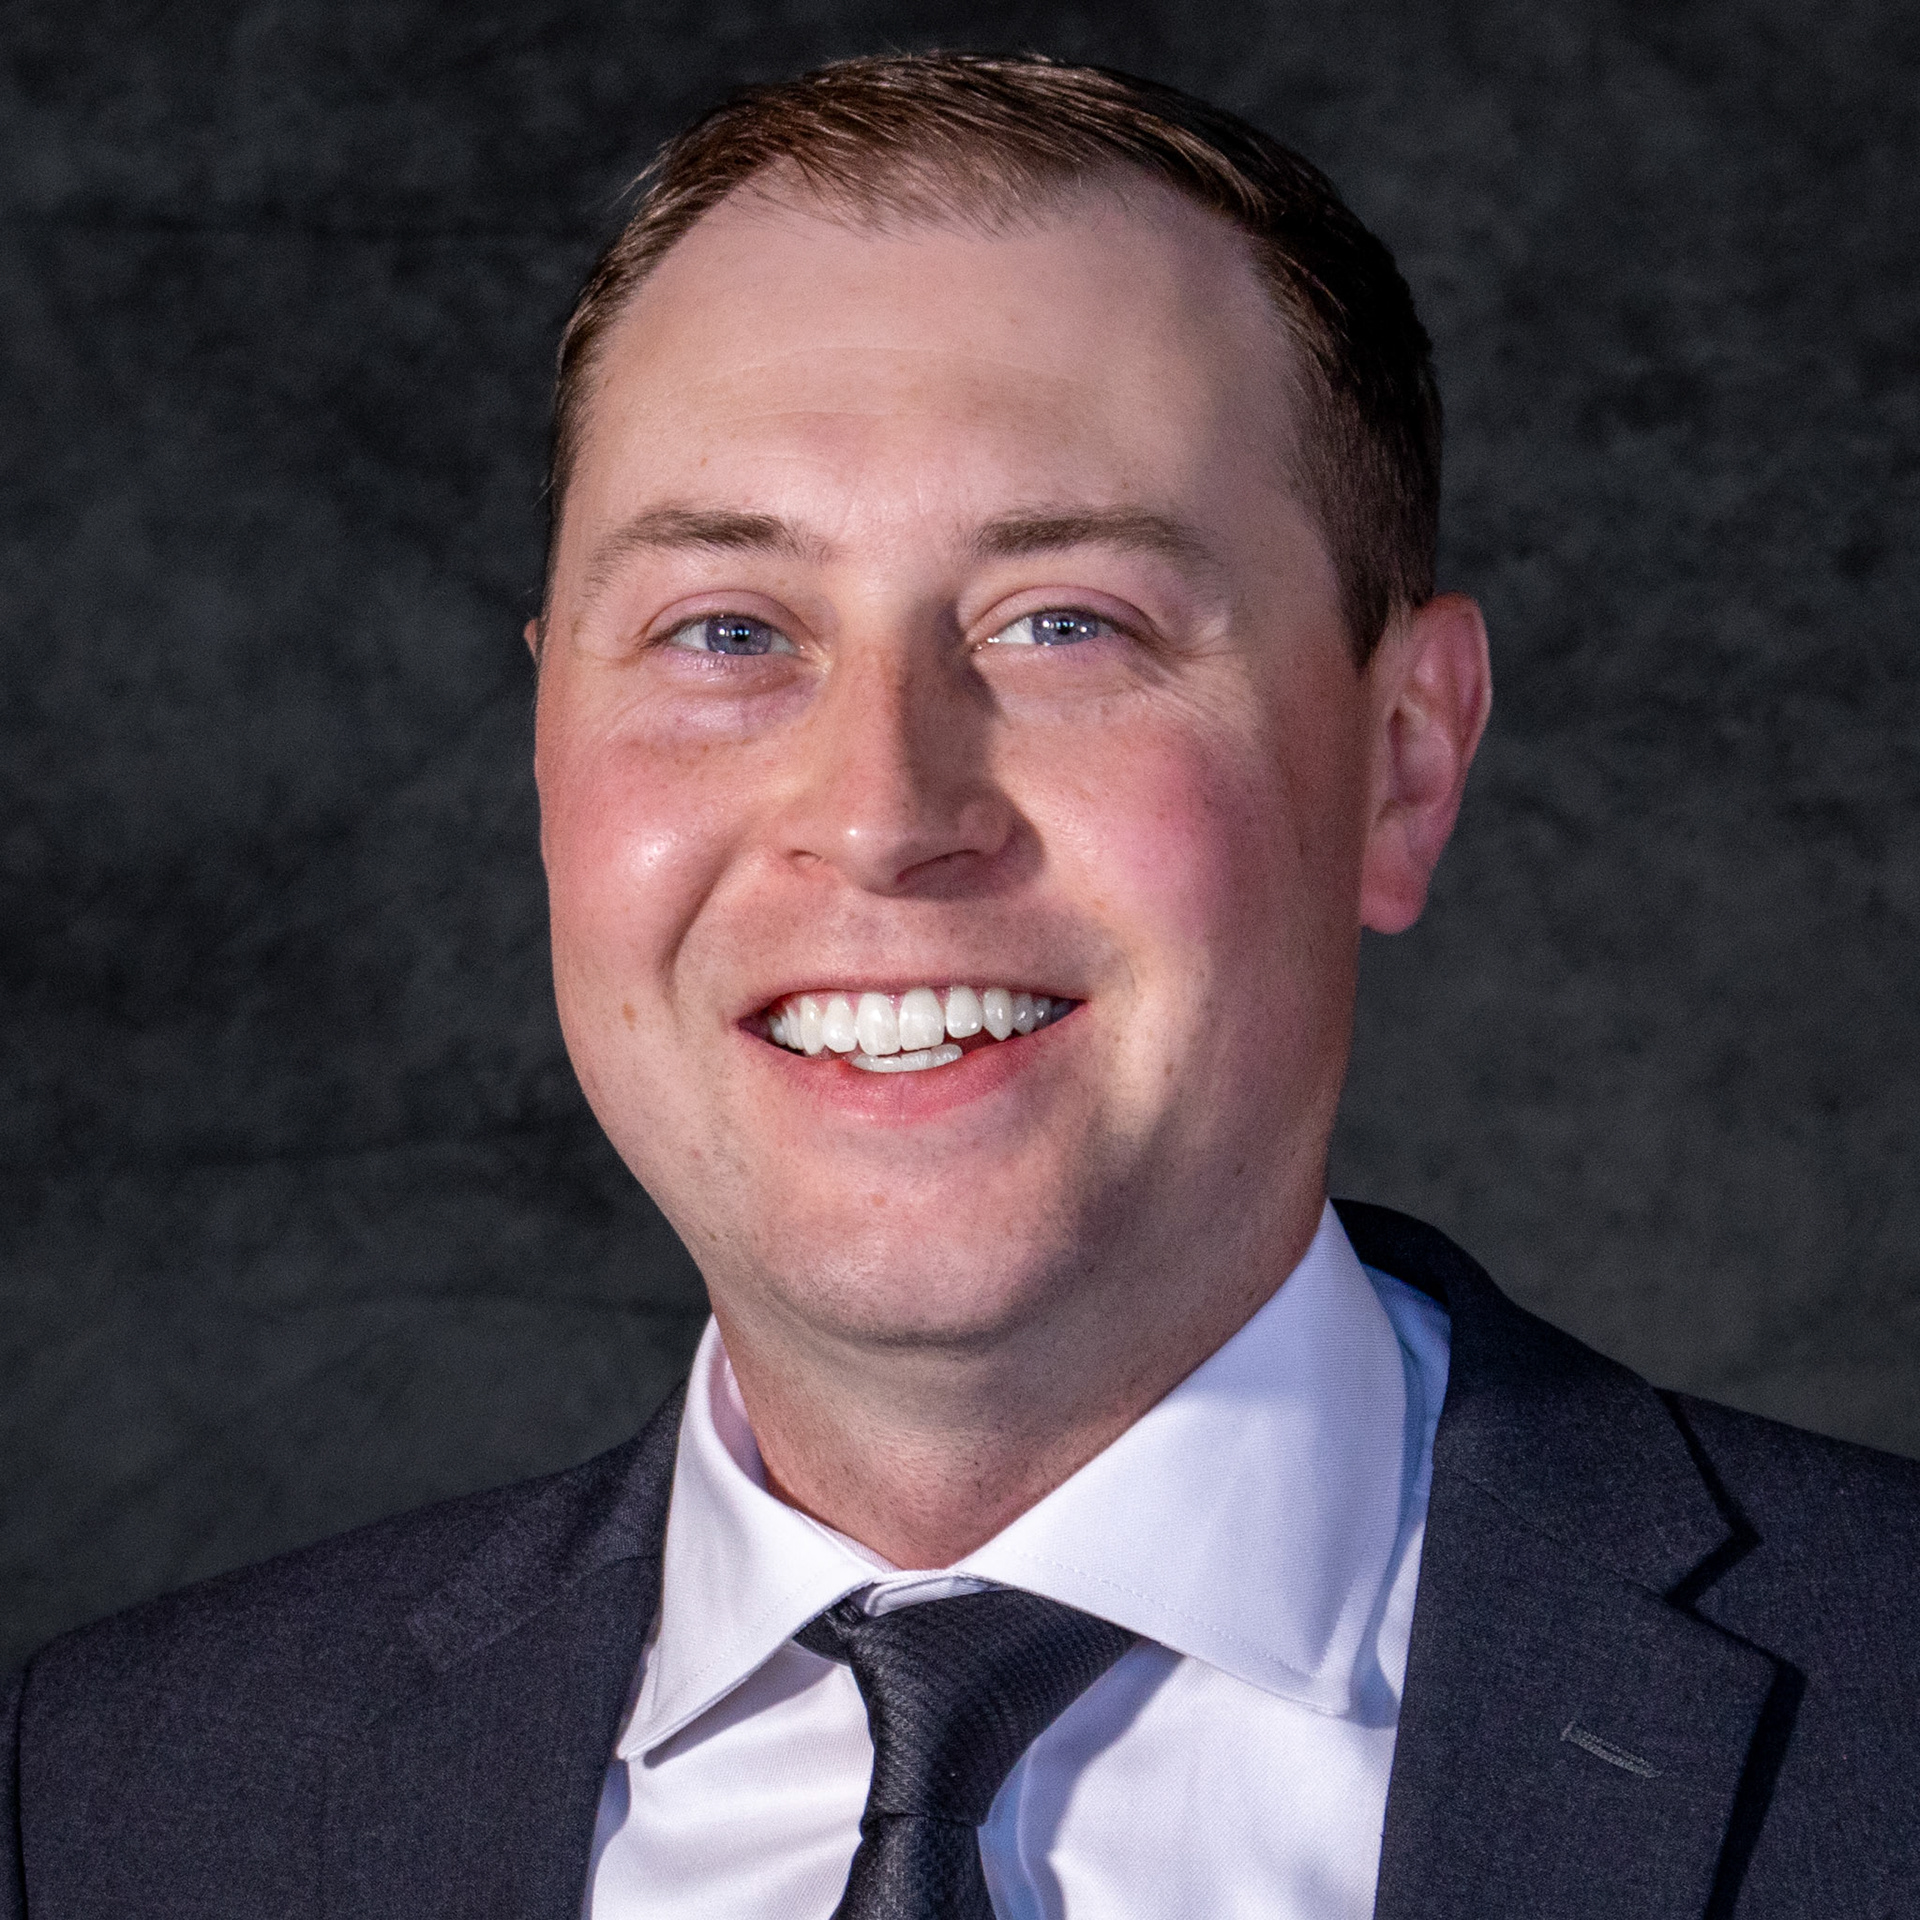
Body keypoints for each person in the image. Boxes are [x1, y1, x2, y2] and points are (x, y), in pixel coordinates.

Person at [4, 52, 1915, 1920]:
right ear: (545, 754)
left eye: (1066, 621)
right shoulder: (106, 1810)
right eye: (727, 631)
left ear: (1403, 761)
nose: (883, 814)